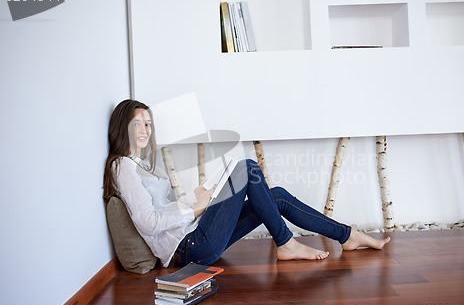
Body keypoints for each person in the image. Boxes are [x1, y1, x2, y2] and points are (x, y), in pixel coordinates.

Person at [103, 99, 390, 267]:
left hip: (196, 233)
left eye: (147, 123)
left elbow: (163, 209)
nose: (144, 129)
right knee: (247, 168)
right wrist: (196, 210)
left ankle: (346, 235)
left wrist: (197, 200)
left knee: (275, 196)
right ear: (122, 127)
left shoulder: (142, 165)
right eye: (137, 123)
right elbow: (148, 222)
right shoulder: (122, 167)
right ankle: (286, 243)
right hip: (191, 246)